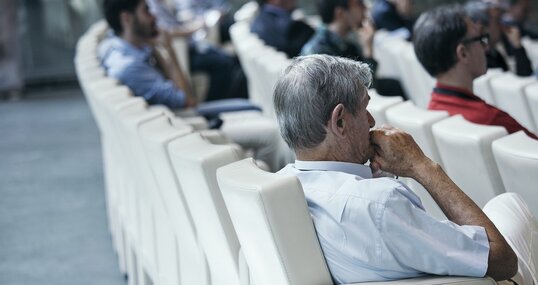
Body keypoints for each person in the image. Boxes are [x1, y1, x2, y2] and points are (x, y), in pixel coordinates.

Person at [273, 54, 536, 284]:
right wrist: (421, 166)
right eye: (364, 109)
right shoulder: (379, 204)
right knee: (510, 203)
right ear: (339, 121)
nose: (372, 121)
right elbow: (502, 259)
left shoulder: (282, 189)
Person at [100, 0, 283, 171]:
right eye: (146, 11)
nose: (154, 16)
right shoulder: (130, 66)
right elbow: (187, 100)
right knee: (273, 134)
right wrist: (169, 50)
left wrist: (156, 48)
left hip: (182, 123)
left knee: (255, 109)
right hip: (186, 131)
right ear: (126, 18)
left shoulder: (121, 49)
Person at [413, 5, 537, 139]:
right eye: (480, 39)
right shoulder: (492, 121)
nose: (486, 47)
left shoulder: (434, 111)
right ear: (463, 53)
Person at [146, 0, 248, 101]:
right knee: (223, 63)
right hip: (185, 53)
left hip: (192, 45)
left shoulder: (160, 5)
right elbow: (166, 31)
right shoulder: (152, 7)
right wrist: (192, 28)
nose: (152, 16)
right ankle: (215, 104)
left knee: (230, 59)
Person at [301, 0, 405, 97]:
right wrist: (368, 50)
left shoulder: (346, 43)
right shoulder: (319, 55)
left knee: (392, 85)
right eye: (359, 3)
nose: (365, 8)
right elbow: (363, 93)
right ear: (340, 13)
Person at [464, 0, 533, 76]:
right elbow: (523, 79)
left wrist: (517, 47)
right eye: (498, 20)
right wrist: (518, 47)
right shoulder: (483, 59)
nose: (503, 25)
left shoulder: (494, 54)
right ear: (482, 28)